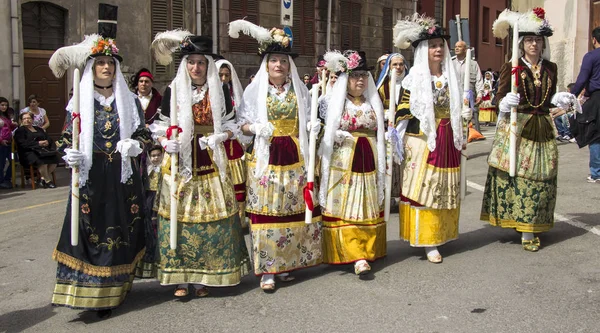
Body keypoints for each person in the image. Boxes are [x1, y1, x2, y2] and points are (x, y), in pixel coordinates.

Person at [48, 4, 149, 317]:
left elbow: (146, 136)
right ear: (91, 67)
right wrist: (70, 153)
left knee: (120, 232)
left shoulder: (129, 101)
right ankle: (88, 293)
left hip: (121, 178)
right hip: (90, 178)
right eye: (101, 62)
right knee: (89, 232)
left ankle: (115, 289)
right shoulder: (79, 100)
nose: (106, 67)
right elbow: (66, 138)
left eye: (111, 63)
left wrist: (136, 145)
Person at [150, 31, 250, 298]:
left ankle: (206, 276)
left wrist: (222, 135)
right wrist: (164, 140)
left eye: (201, 62)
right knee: (180, 220)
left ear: (209, 64)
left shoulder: (222, 89)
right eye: (191, 62)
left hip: (210, 158)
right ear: (185, 64)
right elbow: (160, 124)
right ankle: (180, 279)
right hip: (181, 159)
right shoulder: (173, 89)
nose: (196, 67)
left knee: (212, 221)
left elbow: (233, 123)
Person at [229, 20, 323, 291]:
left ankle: (287, 263)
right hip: (266, 156)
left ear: (289, 65)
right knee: (267, 211)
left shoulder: (300, 90)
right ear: (266, 64)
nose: (279, 65)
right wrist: (255, 127)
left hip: (294, 153)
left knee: (290, 209)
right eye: (274, 61)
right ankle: (268, 268)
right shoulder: (254, 91)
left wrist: (311, 126)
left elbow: (307, 117)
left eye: (283, 61)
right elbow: (241, 126)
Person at [391, 14, 469, 263]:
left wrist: (464, 116)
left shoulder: (451, 77)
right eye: (433, 45)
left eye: (440, 45)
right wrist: (396, 139)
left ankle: (442, 234)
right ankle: (426, 239)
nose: (438, 50)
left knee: (444, 188)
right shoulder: (413, 78)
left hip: (448, 137)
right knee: (425, 189)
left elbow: (455, 107)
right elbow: (403, 111)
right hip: (423, 140)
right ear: (424, 50)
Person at [481, 7, 559, 251]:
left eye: (537, 40)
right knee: (522, 177)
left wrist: (560, 101)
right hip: (518, 127)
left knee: (544, 177)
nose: (534, 45)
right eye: (529, 40)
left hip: (543, 127)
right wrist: (503, 102)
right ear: (522, 44)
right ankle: (525, 229)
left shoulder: (551, 68)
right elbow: (498, 97)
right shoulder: (512, 67)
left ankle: (536, 222)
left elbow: (549, 97)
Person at [318, 50, 386, 275]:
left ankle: (367, 248)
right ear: (346, 79)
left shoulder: (373, 102)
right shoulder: (333, 102)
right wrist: (334, 134)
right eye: (355, 76)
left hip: (369, 158)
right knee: (348, 204)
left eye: (364, 76)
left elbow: (379, 130)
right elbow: (322, 133)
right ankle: (355, 253)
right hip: (345, 159)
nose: (360, 81)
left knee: (367, 204)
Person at [215, 58, 249, 229]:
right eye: (220, 74)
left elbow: (242, 119)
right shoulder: (213, 93)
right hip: (215, 142)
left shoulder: (235, 94)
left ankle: (240, 219)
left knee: (238, 181)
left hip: (233, 143)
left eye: (226, 75)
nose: (223, 78)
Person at [376, 53, 409, 209]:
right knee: (388, 163)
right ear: (389, 66)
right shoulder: (382, 85)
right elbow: (375, 106)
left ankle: (404, 196)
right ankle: (388, 196)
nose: (398, 67)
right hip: (386, 130)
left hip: (407, 129)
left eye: (401, 64)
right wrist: (384, 113)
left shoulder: (409, 84)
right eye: (394, 64)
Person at [570, 27, 600, 183]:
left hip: (596, 98)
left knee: (595, 134)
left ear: (594, 40)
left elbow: (582, 79)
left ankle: (597, 172)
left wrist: (572, 96)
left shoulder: (591, 56)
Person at [135, 144, 163, 278]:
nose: (156, 158)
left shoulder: (164, 169)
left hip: (161, 198)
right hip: (149, 198)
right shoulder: (147, 170)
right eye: (153, 156)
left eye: (158, 155)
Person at [14, 112, 60, 188]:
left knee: (54, 159)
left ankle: (42, 178)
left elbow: (48, 137)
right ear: (22, 120)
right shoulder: (20, 131)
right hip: (28, 153)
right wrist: (38, 143)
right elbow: (22, 144)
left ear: (32, 119)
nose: (27, 120)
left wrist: (47, 142)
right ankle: (48, 181)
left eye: (28, 118)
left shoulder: (38, 129)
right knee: (42, 161)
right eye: (24, 119)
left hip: (42, 151)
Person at [452, 40, 484, 132]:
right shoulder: (451, 63)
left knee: (468, 118)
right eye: (456, 46)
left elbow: (479, 80)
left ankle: (469, 134)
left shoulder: (473, 64)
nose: (457, 48)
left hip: (468, 97)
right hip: (455, 97)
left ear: (465, 49)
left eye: (459, 46)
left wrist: (479, 95)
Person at [0, 97, 17, 189]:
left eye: (6, 105)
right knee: (1, 163)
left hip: (9, 143)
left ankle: (7, 179)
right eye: (2, 105)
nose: (4, 107)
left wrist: (13, 125)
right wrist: (1, 140)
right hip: (1, 144)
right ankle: (1, 181)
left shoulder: (6, 117)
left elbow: (9, 129)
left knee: (14, 161)